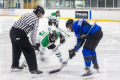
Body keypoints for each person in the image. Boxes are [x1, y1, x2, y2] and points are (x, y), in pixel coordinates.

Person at [9, 6, 45, 77]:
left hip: (12, 31)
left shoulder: (27, 14)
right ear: (38, 14)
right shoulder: (35, 19)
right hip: (20, 33)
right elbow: (33, 34)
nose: (40, 17)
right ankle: (34, 70)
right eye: (41, 15)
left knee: (16, 49)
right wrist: (34, 44)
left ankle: (15, 66)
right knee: (30, 50)